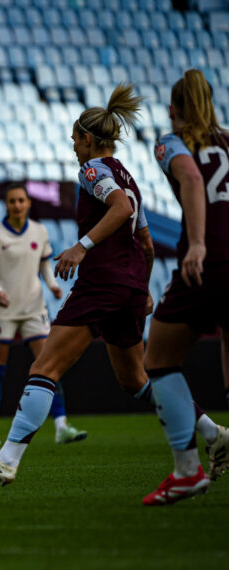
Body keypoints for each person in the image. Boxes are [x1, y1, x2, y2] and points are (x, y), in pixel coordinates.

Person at [0, 83, 156, 485]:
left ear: (87, 138)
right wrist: (144, 288)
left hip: (102, 283)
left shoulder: (93, 171)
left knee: (45, 366)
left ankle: (7, 458)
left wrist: (81, 247)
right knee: (135, 379)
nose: (74, 148)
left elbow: (120, 209)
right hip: (130, 285)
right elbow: (146, 243)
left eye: (75, 140)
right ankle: (209, 430)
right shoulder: (129, 178)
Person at [140, 69, 229, 505]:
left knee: (157, 359)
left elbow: (193, 178)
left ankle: (187, 471)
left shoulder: (171, 142)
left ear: (173, 109)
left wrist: (196, 243)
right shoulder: (228, 140)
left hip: (209, 260)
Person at [0, 184, 87, 446]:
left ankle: (61, 426)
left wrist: (52, 284)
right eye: (12, 201)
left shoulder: (40, 231)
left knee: (49, 365)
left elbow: (44, 265)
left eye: (21, 200)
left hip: (33, 309)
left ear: (28, 203)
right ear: (7, 205)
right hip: (4, 311)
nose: (17, 205)